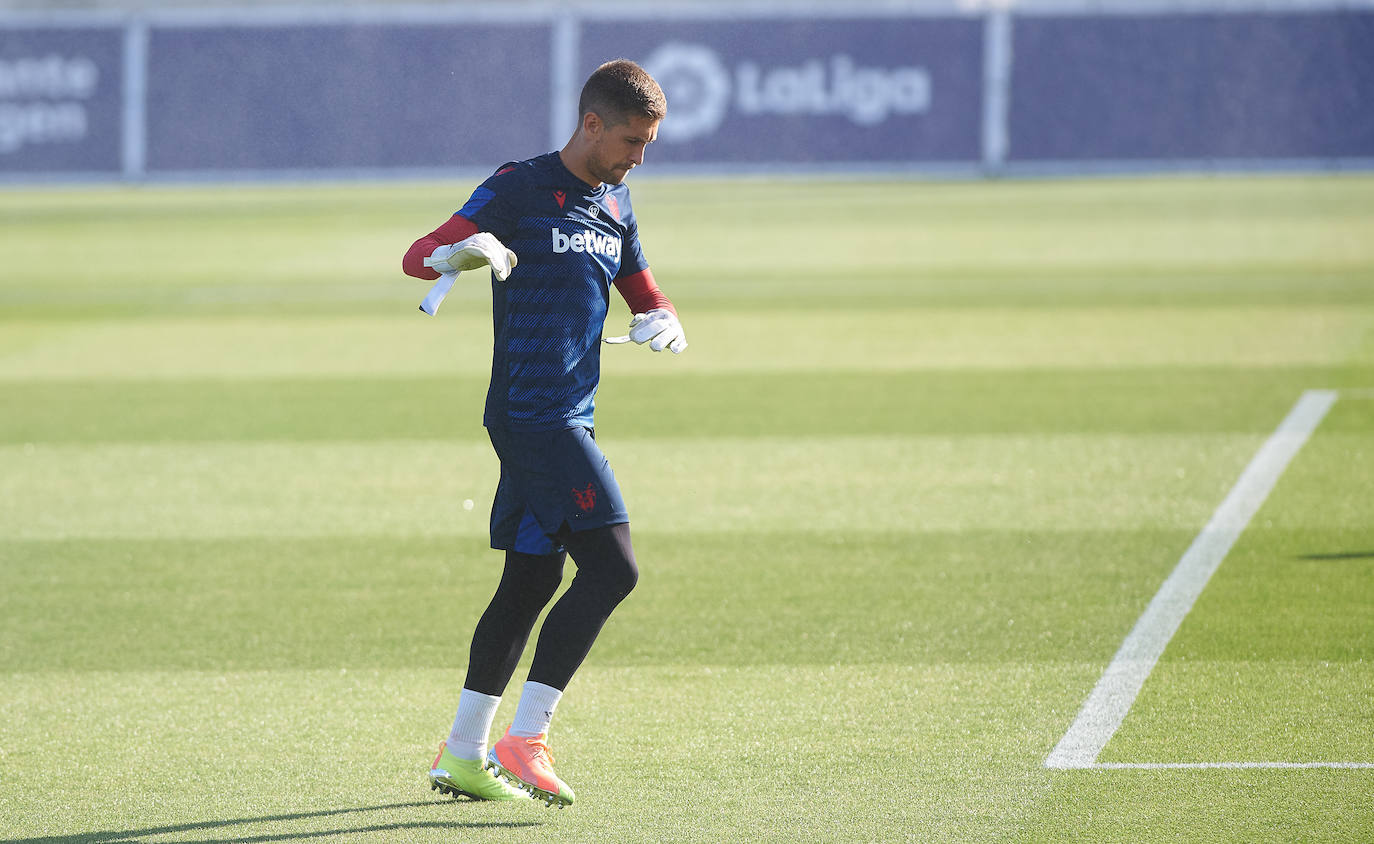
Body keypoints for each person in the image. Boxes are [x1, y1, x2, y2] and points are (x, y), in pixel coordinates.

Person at [401, 59, 686, 807]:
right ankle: (525, 741)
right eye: (630, 139)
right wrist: (462, 252)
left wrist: (660, 314)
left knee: (530, 580)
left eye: (647, 143)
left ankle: (462, 754)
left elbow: (638, 281)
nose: (637, 156)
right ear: (591, 124)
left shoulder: (615, 202)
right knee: (615, 569)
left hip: (571, 413)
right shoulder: (519, 186)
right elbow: (416, 255)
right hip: (534, 416)